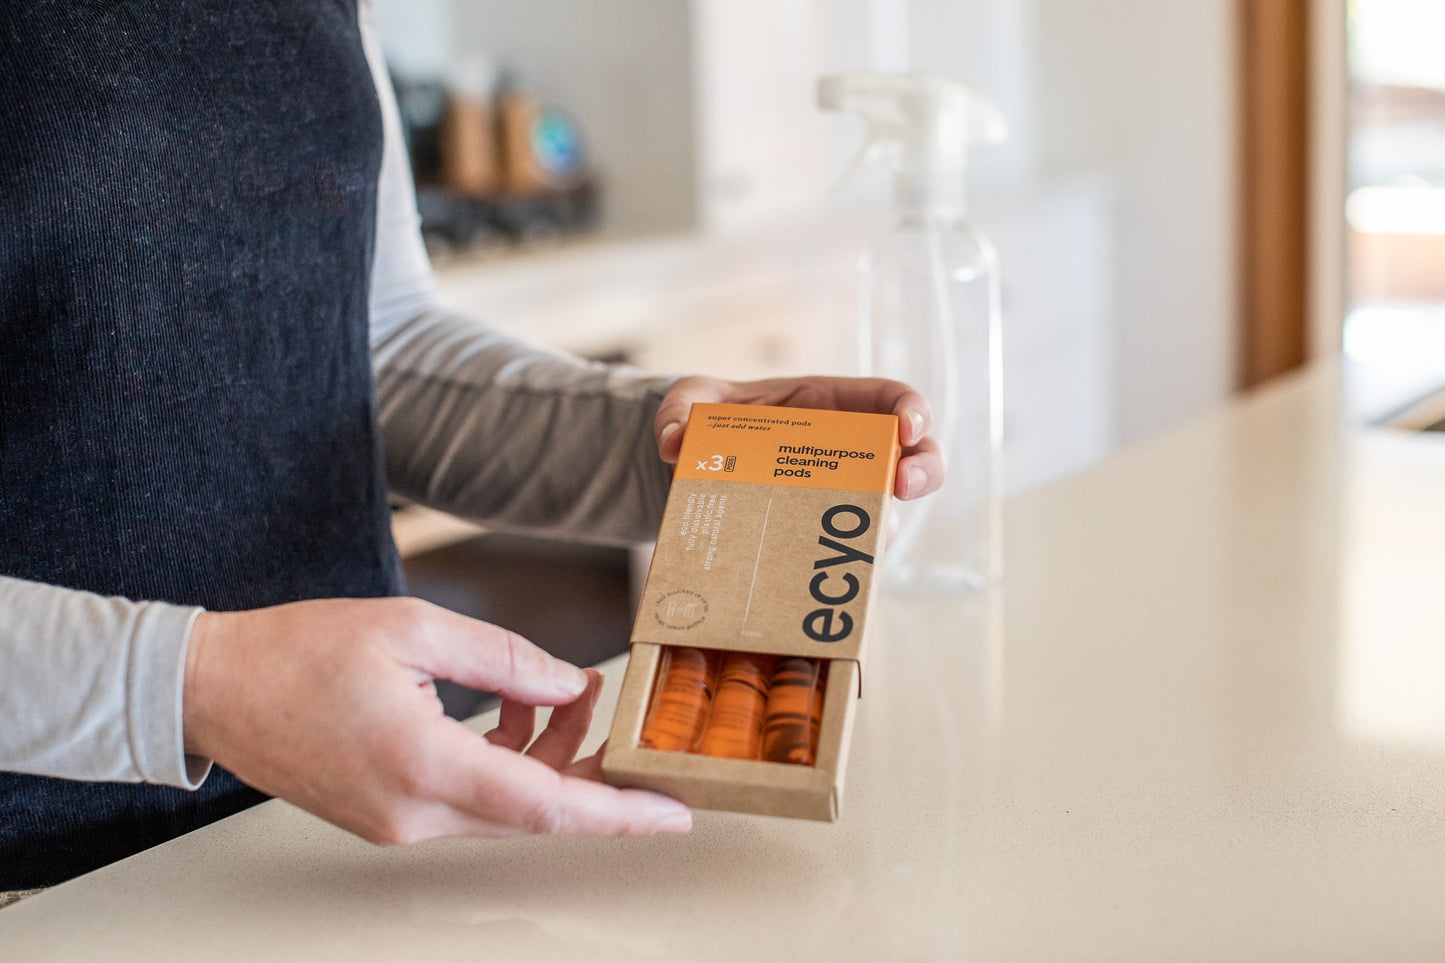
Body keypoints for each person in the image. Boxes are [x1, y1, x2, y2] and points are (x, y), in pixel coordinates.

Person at [0, 0, 944, 892]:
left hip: (328, 838)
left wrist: (674, 450)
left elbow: (373, 343)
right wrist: (197, 685)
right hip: (39, 877)